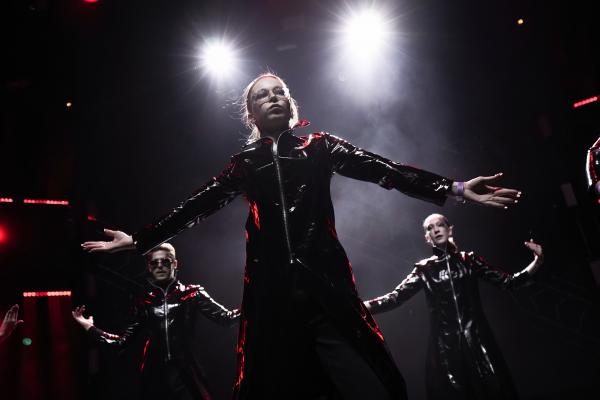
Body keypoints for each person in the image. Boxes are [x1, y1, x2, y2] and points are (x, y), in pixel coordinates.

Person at [82, 73, 521, 400]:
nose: (273, 97)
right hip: (271, 300)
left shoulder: (320, 147)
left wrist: (454, 188)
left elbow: (384, 170)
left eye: (279, 92)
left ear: (290, 105)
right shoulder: (244, 164)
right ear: (251, 114)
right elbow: (196, 205)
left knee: (374, 385)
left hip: (326, 290)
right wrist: (139, 240)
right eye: (262, 95)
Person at [364, 213, 543, 400]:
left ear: (450, 230)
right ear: (427, 237)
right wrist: (360, 305)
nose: (436, 229)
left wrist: (537, 262)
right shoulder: (424, 269)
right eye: (430, 228)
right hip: (445, 350)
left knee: (494, 391)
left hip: (478, 342)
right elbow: (395, 298)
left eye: (440, 225)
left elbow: (507, 282)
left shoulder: (469, 260)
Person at [73, 243, 240, 400]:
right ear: (149, 267)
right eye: (154, 263)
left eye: (165, 261)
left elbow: (226, 318)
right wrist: (89, 327)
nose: (159, 266)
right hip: (154, 376)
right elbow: (122, 342)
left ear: (175, 264)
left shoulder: (192, 294)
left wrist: (254, 298)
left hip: (187, 373)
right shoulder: (144, 301)